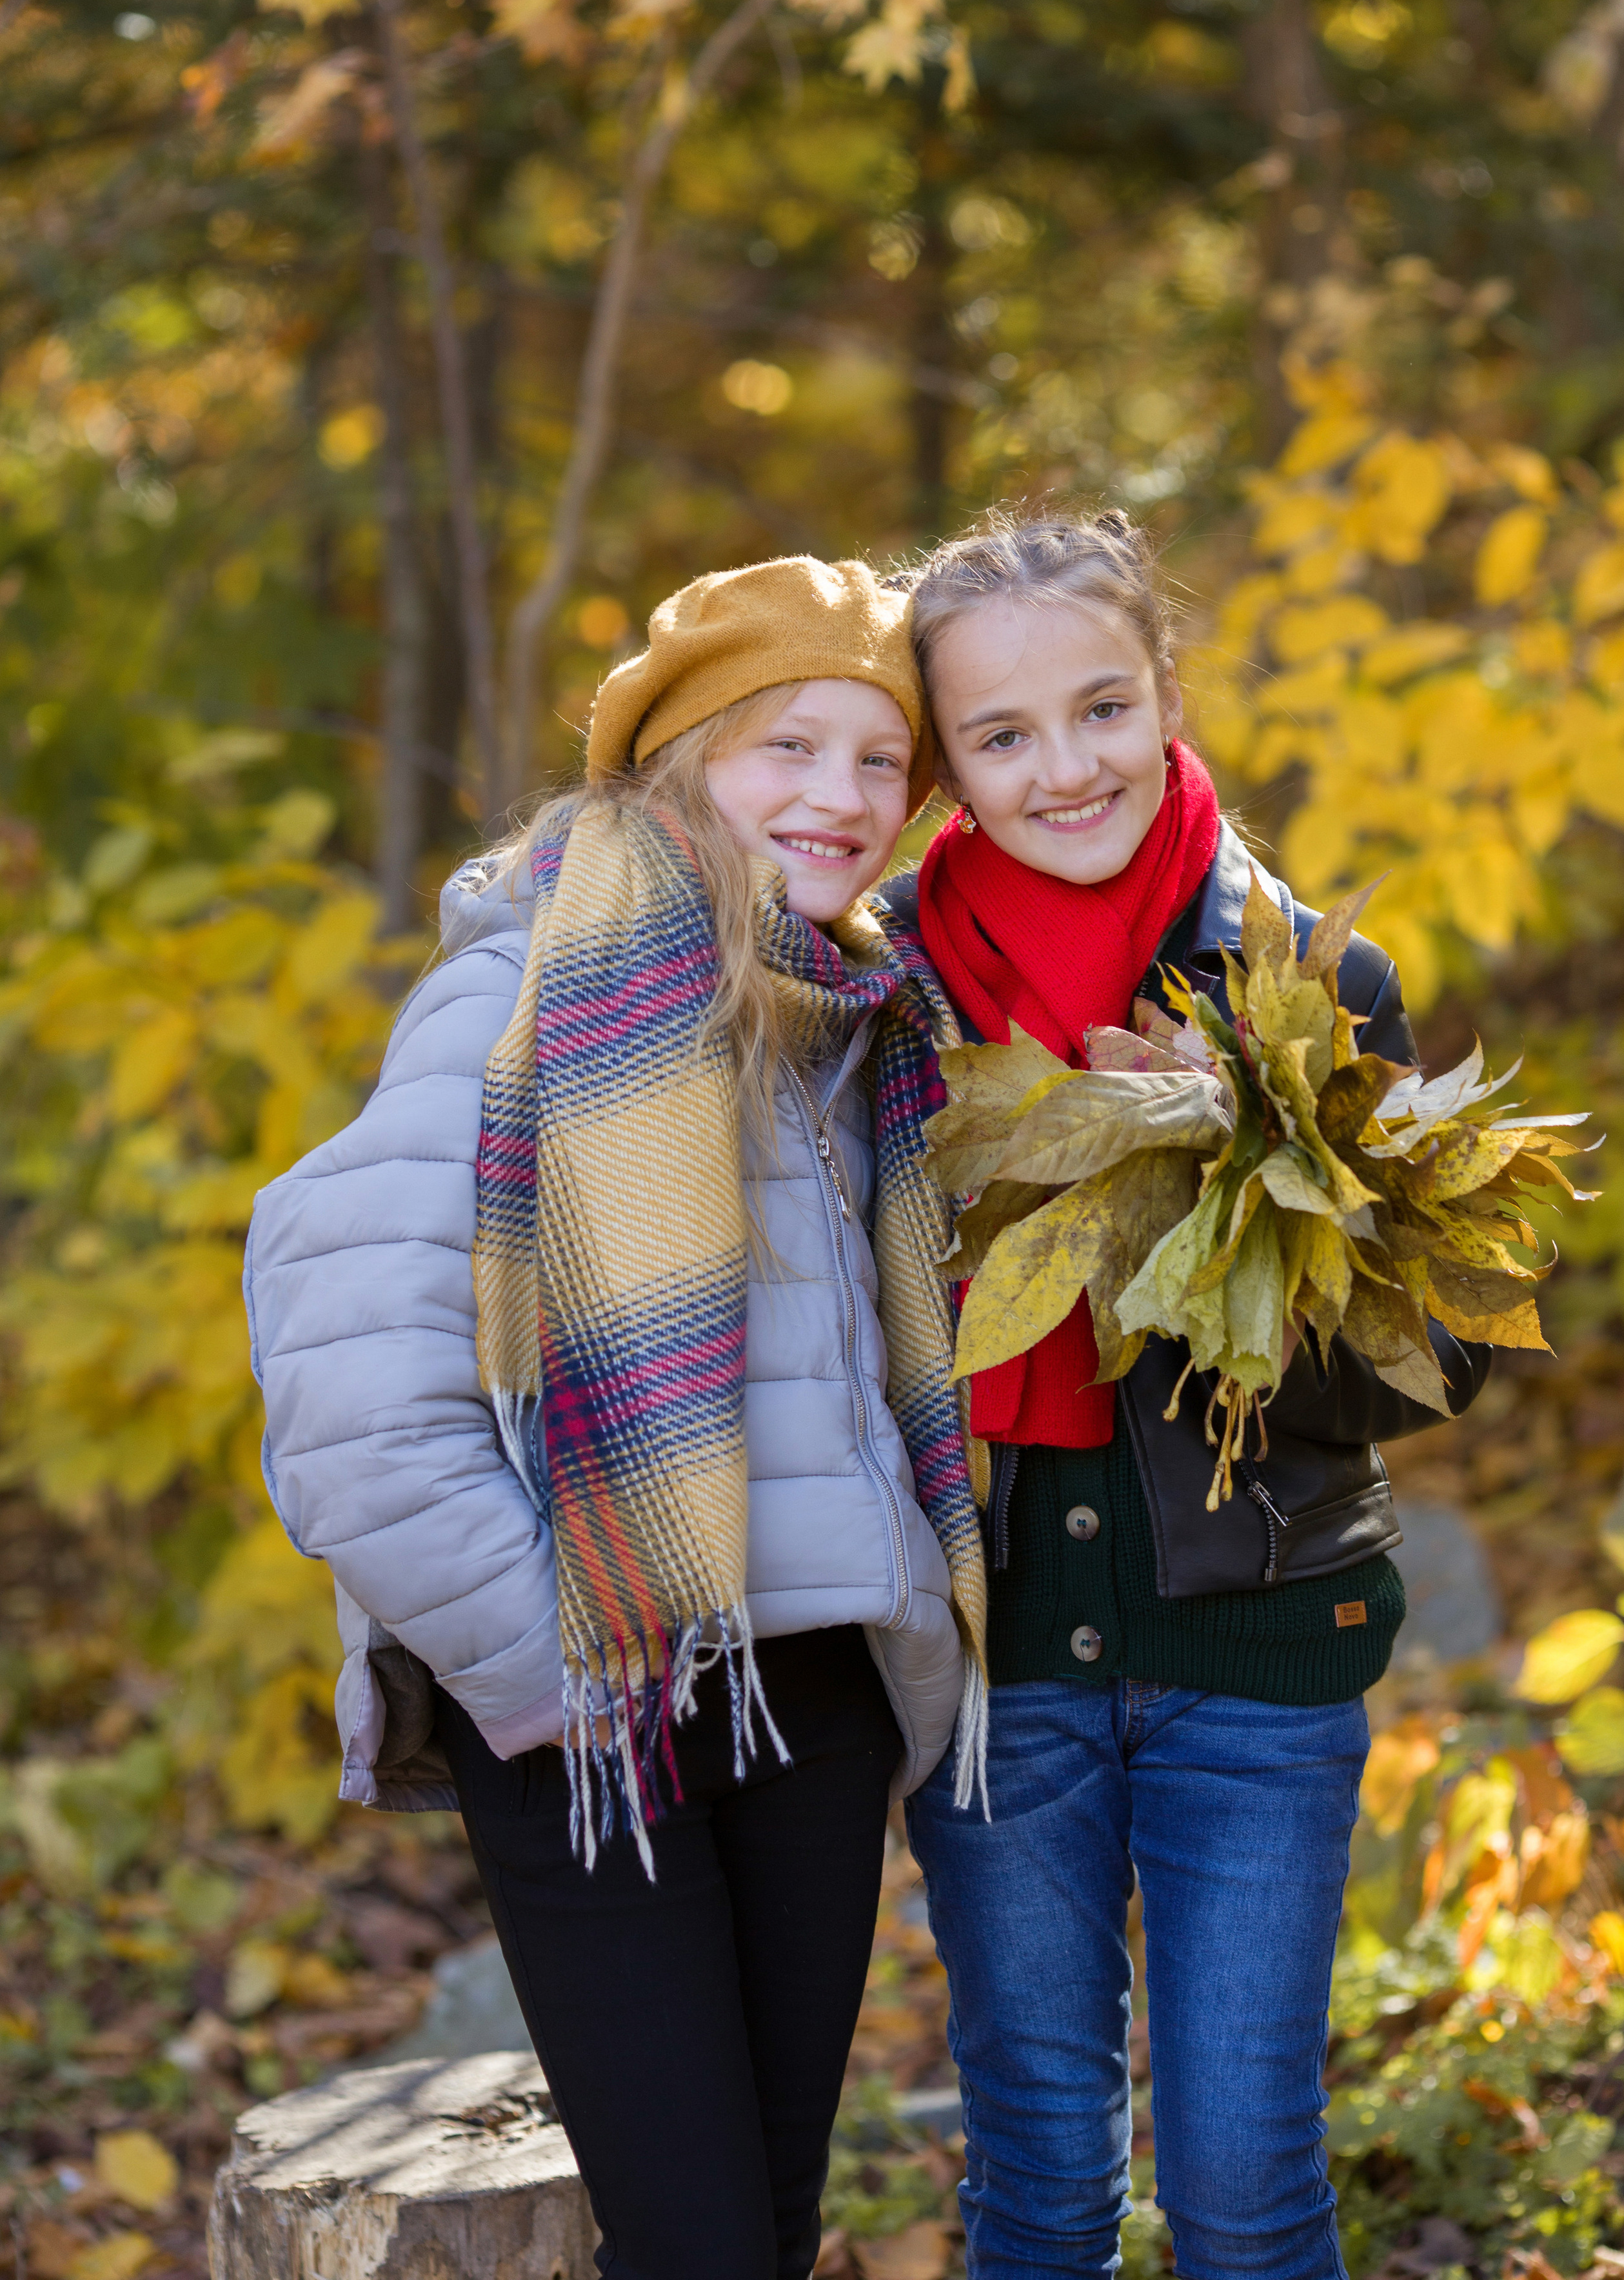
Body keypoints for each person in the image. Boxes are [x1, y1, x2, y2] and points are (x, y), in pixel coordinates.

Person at [243, 555, 990, 2280]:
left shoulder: (858, 1019)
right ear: (678, 757)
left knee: (766, 2230)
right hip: (602, 1699)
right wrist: (549, 1677)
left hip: (810, 1693)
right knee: (697, 2243)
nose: (842, 795)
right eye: (788, 744)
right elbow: (354, 1392)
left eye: (881, 760)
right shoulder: (522, 992)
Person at [881, 511, 1492, 2280]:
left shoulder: (1310, 980)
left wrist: (1219, 1237)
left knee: (1243, 2190)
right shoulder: (881, 999)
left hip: (1261, 1650)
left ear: (1166, 692)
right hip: (997, 1663)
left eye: (1102, 708)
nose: (1066, 767)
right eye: (1002, 735)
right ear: (945, 764)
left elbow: (1440, 1352)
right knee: (1040, 2182)